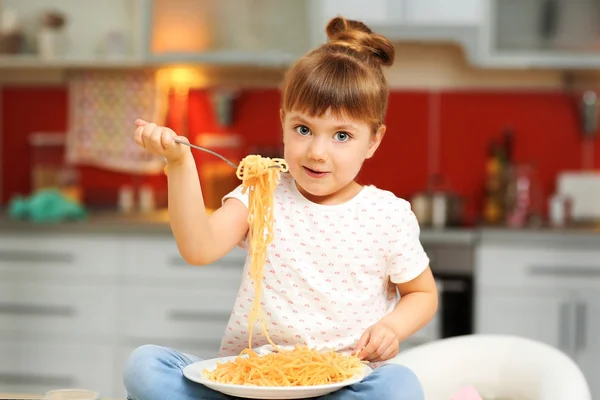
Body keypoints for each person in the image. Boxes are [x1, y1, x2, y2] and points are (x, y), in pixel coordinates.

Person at [123, 16, 438, 400]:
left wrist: (392, 328)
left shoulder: (388, 214)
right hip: (250, 384)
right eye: (303, 129)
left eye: (342, 135)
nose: (317, 152)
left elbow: (423, 294)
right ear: (283, 124)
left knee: (400, 387)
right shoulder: (262, 191)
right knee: (145, 366)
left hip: (342, 383)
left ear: (373, 141)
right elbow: (198, 246)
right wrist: (178, 163)